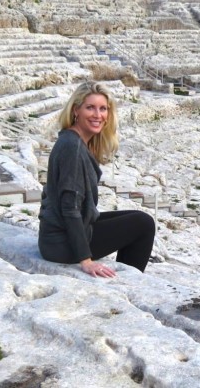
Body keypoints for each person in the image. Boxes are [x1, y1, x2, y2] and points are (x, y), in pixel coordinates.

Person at [38, 81, 155, 277]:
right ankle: (128, 282)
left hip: (57, 236)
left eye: (103, 109)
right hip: (61, 243)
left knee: (136, 218)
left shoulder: (72, 140)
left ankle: (126, 277)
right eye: (90, 108)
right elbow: (70, 207)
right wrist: (86, 260)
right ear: (76, 110)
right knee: (143, 224)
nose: (97, 115)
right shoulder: (72, 148)